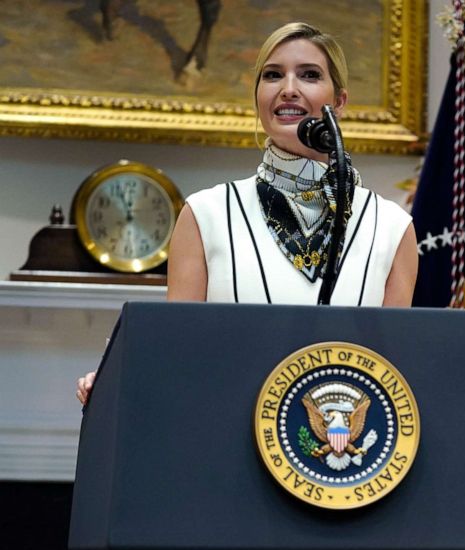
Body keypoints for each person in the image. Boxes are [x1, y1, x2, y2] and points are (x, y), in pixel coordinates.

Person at [77, 22, 418, 405]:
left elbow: (392, 374)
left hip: (344, 450)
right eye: (273, 75)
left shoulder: (391, 227)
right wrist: (114, 380)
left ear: (339, 101)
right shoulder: (205, 215)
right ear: (258, 97)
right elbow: (176, 353)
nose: (288, 87)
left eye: (309, 75)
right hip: (225, 441)